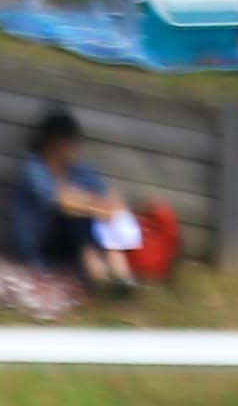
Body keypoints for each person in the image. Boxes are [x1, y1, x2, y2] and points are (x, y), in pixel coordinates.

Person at [13, 110, 142, 294]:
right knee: (77, 217)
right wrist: (95, 206)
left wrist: (111, 206)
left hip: (69, 246)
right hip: (39, 244)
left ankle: (122, 277)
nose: (75, 147)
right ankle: (98, 276)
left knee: (95, 217)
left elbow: (107, 196)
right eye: (71, 142)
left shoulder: (80, 170)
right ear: (55, 144)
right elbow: (58, 200)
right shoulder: (33, 169)